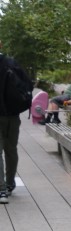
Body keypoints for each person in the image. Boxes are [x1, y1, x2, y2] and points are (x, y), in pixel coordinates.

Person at [0, 45, 24, 204]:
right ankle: (9, 183)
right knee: (11, 149)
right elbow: (26, 85)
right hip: (13, 115)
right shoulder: (12, 63)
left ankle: (1, 190)